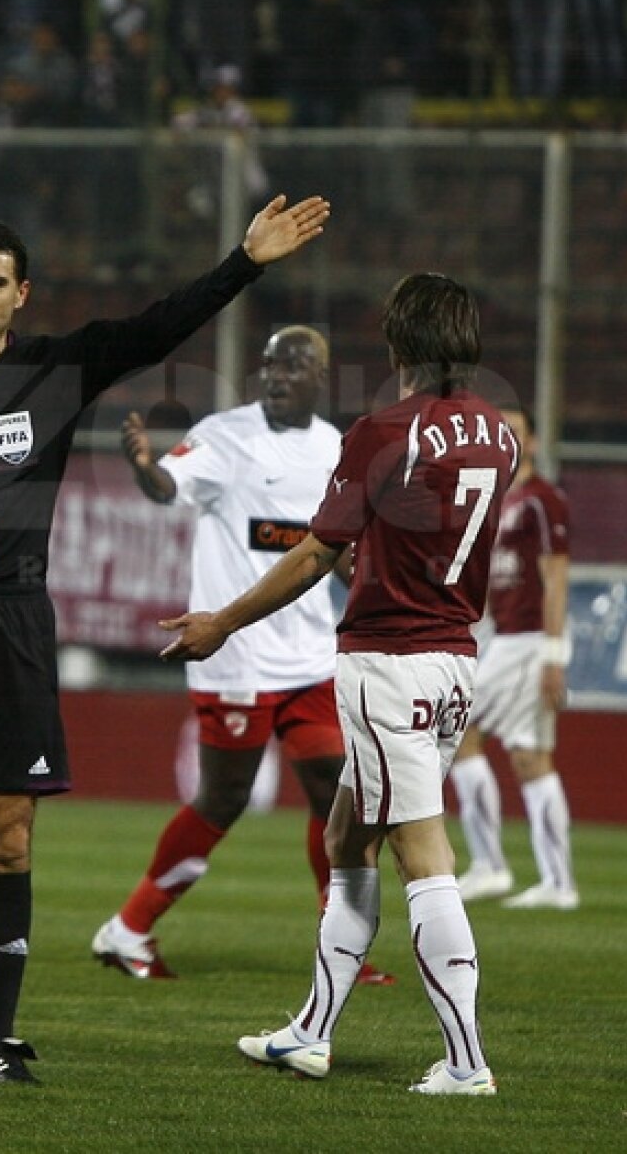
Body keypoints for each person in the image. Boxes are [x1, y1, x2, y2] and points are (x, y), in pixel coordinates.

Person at [0, 192, 331, 1085]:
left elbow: (158, 327)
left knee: (5, 836)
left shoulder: (57, 369)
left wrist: (244, 263)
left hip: (14, 620)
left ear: (22, 293)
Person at [160, 271, 517, 1096]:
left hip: (388, 661)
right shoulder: (498, 434)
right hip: (455, 657)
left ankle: (466, 1061)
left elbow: (316, 552)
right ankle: (310, 1032)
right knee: (345, 841)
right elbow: (434, 535)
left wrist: (221, 620)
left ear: (397, 341)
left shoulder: (379, 431)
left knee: (422, 856)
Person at [92, 327, 391, 988]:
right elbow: (168, 485)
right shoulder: (225, 434)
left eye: (294, 364)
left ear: (321, 374)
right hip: (238, 658)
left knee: (334, 789)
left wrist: (370, 586)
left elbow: (337, 550)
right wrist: (146, 467)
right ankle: (128, 926)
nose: (277, 374)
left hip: (309, 657)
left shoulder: (335, 448)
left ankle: (338, 942)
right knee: (223, 797)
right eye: (269, 364)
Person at [452, 406, 576, 909]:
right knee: (518, 754)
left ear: (534, 442)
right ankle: (543, 878)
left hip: (529, 642)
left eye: (517, 433)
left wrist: (553, 654)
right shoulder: (498, 501)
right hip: (503, 638)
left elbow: (557, 579)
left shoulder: (543, 501)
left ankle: (506, 869)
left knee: (469, 736)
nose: (509, 442)